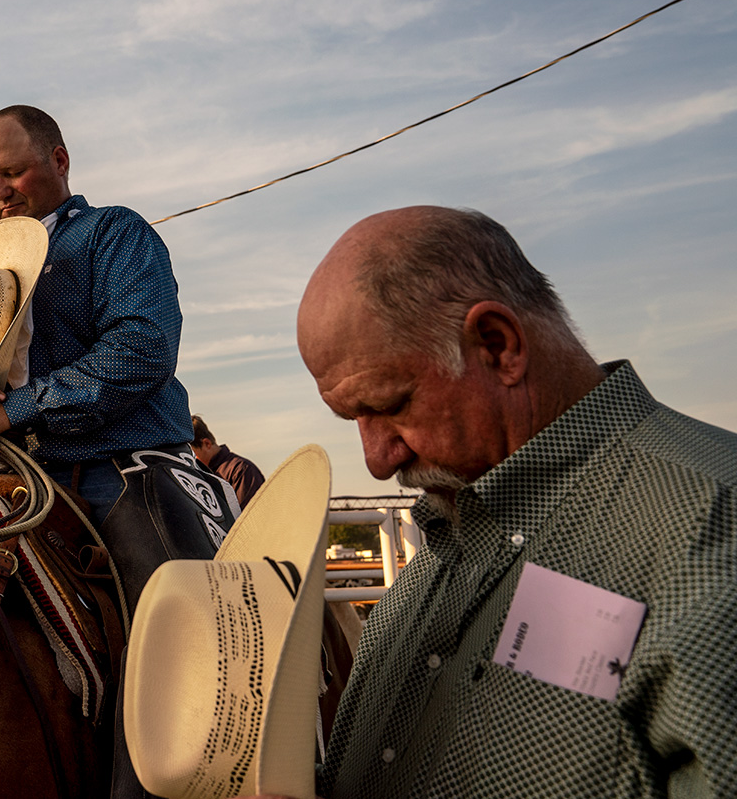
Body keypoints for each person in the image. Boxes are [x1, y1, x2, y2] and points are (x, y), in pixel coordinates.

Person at [296, 205, 737, 798]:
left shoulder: (712, 530)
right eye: (352, 419)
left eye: (391, 405)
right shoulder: (438, 555)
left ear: (498, 345)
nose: (378, 460)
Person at [0, 104, 197, 525]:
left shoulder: (112, 231)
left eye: (13, 173)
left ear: (60, 161)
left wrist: (14, 410)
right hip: (9, 475)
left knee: (162, 570)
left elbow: (142, 348)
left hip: (117, 467)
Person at [188, 416, 265, 508]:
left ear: (207, 443)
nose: (190, 459)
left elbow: (248, 514)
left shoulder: (242, 470)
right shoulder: (199, 474)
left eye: (192, 454)